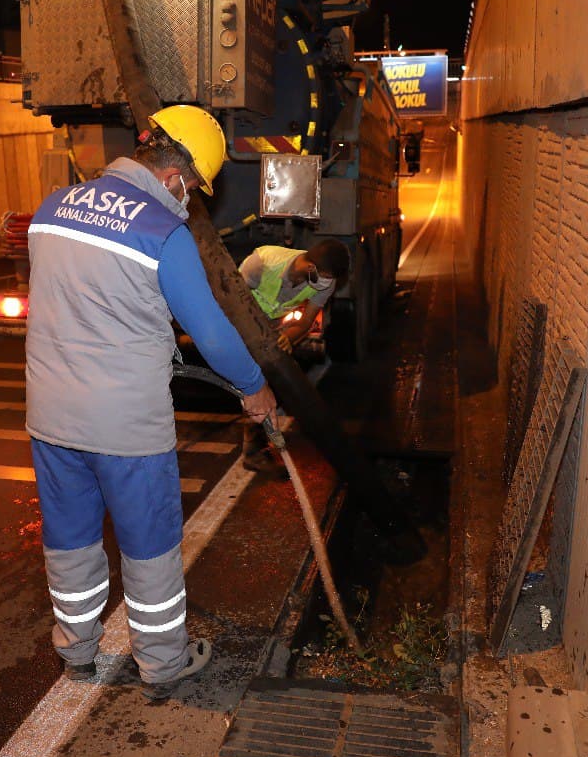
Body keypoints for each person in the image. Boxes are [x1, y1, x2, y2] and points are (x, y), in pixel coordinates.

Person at [25, 104, 278, 702]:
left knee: (69, 540)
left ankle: (76, 651)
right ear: (171, 176)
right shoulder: (162, 232)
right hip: (126, 426)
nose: (190, 202)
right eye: (192, 189)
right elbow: (211, 332)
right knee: (150, 548)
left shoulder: (52, 208)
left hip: (51, 418)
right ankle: (162, 663)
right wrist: (254, 387)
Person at [237, 240, 350, 472]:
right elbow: (230, 299)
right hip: (237, 320)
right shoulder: (262, 263)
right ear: (310, 267)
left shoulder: (324, 284)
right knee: (252, 382)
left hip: (269, 328)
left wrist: (288, 338)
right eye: (326, 276)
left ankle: (254, 450)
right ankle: (255, 445)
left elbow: (306, 321)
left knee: (264, 384)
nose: (328, 283)